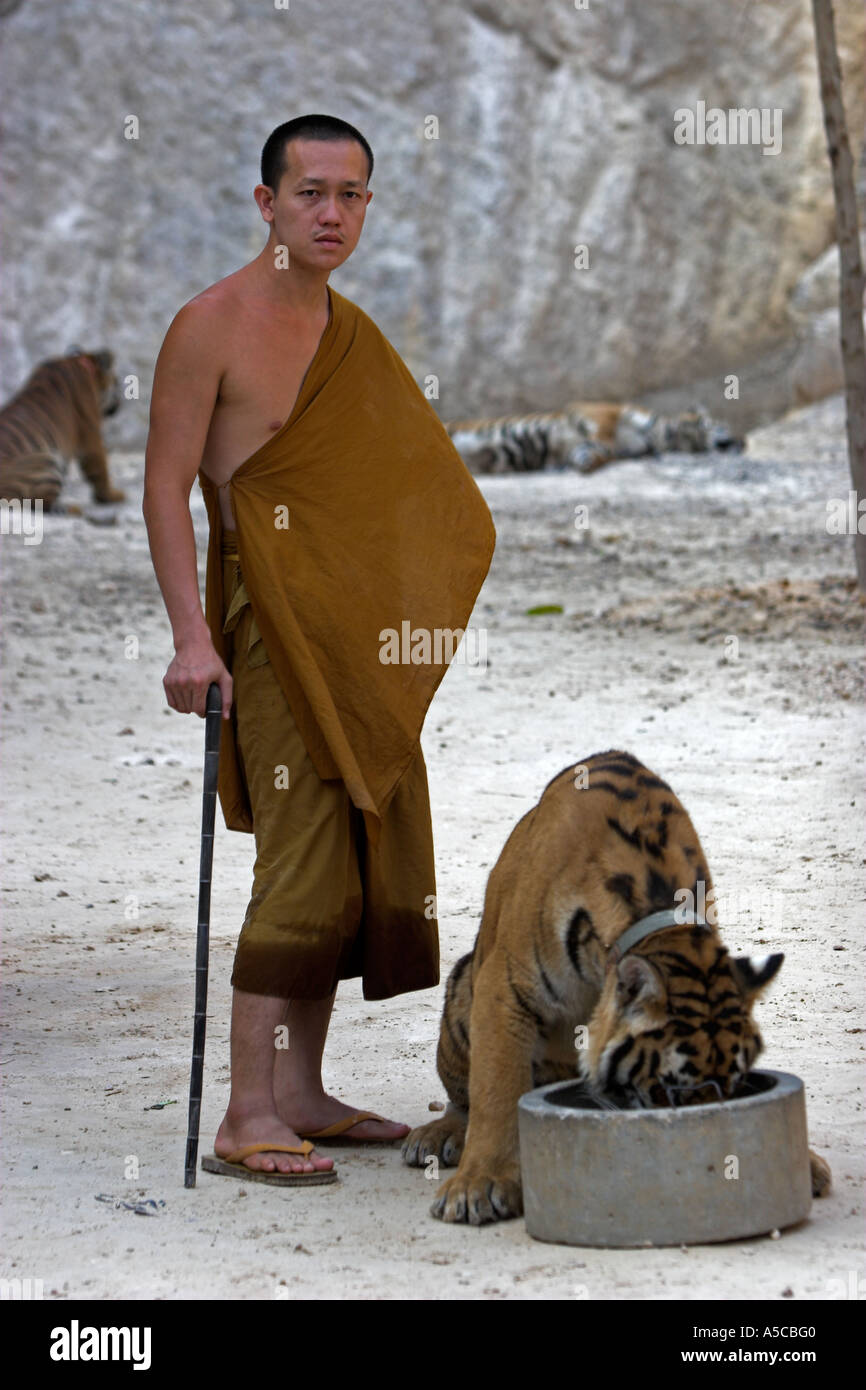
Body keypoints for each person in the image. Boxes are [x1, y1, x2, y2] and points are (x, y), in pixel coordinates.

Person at [143, 115, 494, 1184]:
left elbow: (405, 486)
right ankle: (245, 1111)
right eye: (308, 193)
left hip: (347, 635)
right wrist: (189, 639)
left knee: (348, 851)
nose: (330, 213)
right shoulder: (208, 325)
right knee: (298, 858)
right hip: (268, 624)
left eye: (350, 195)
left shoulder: (350, 334)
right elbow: (165, 489)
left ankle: (298, 1090)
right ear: (265, 204)